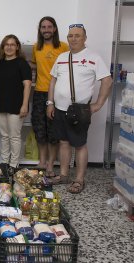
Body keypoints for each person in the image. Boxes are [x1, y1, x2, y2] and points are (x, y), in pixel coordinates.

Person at [47, 24, 112, 193]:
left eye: (77, 35)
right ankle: (63, 175)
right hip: (60, 108)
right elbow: (53, 81)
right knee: (63, 142)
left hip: (79, 110)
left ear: (84, 38)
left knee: (80, 144)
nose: (73, 38)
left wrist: (98, 104)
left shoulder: (93, 57)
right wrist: (50, 102)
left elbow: (107, 80)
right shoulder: (61, 57)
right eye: (70, 36)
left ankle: (79, 179)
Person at [31, 16, 69, 177]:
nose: (46, 30)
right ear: (40, 30)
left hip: (58, 94)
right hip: (39, 92)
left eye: (49, 27)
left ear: (54, 29)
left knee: (53, 132)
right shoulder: (36, 47)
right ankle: (42, 161)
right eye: (43, 27)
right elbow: (35, 64)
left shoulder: (64, 47)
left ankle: (51, 165)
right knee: (40, 130)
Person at [0, 35, 32, 175]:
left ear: (17, 47)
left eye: (12, 44)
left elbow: (27, 85)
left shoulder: (22, 64)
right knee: (4, 135)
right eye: (6, 44)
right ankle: (5, 162)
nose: (9, 47)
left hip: (16, 105)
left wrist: (25, 105)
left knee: (14, 136)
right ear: (3, 47)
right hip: (0, 104)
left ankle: (14, 165)